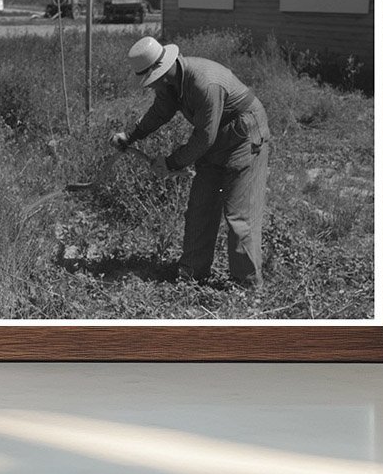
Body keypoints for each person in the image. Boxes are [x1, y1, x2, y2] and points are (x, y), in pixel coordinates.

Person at [111, 36, 270, 287]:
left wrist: (172, 163)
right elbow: (160, 113)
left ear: (162, 73)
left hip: (244, 139)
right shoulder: (171, 84)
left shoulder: (205, 84)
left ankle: (247, 286)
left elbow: (204, 137)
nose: (152, 87)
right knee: (200, 208)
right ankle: (191, 277)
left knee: (240, 217)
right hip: (215, 140)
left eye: (153, 82)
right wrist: (131, 136)